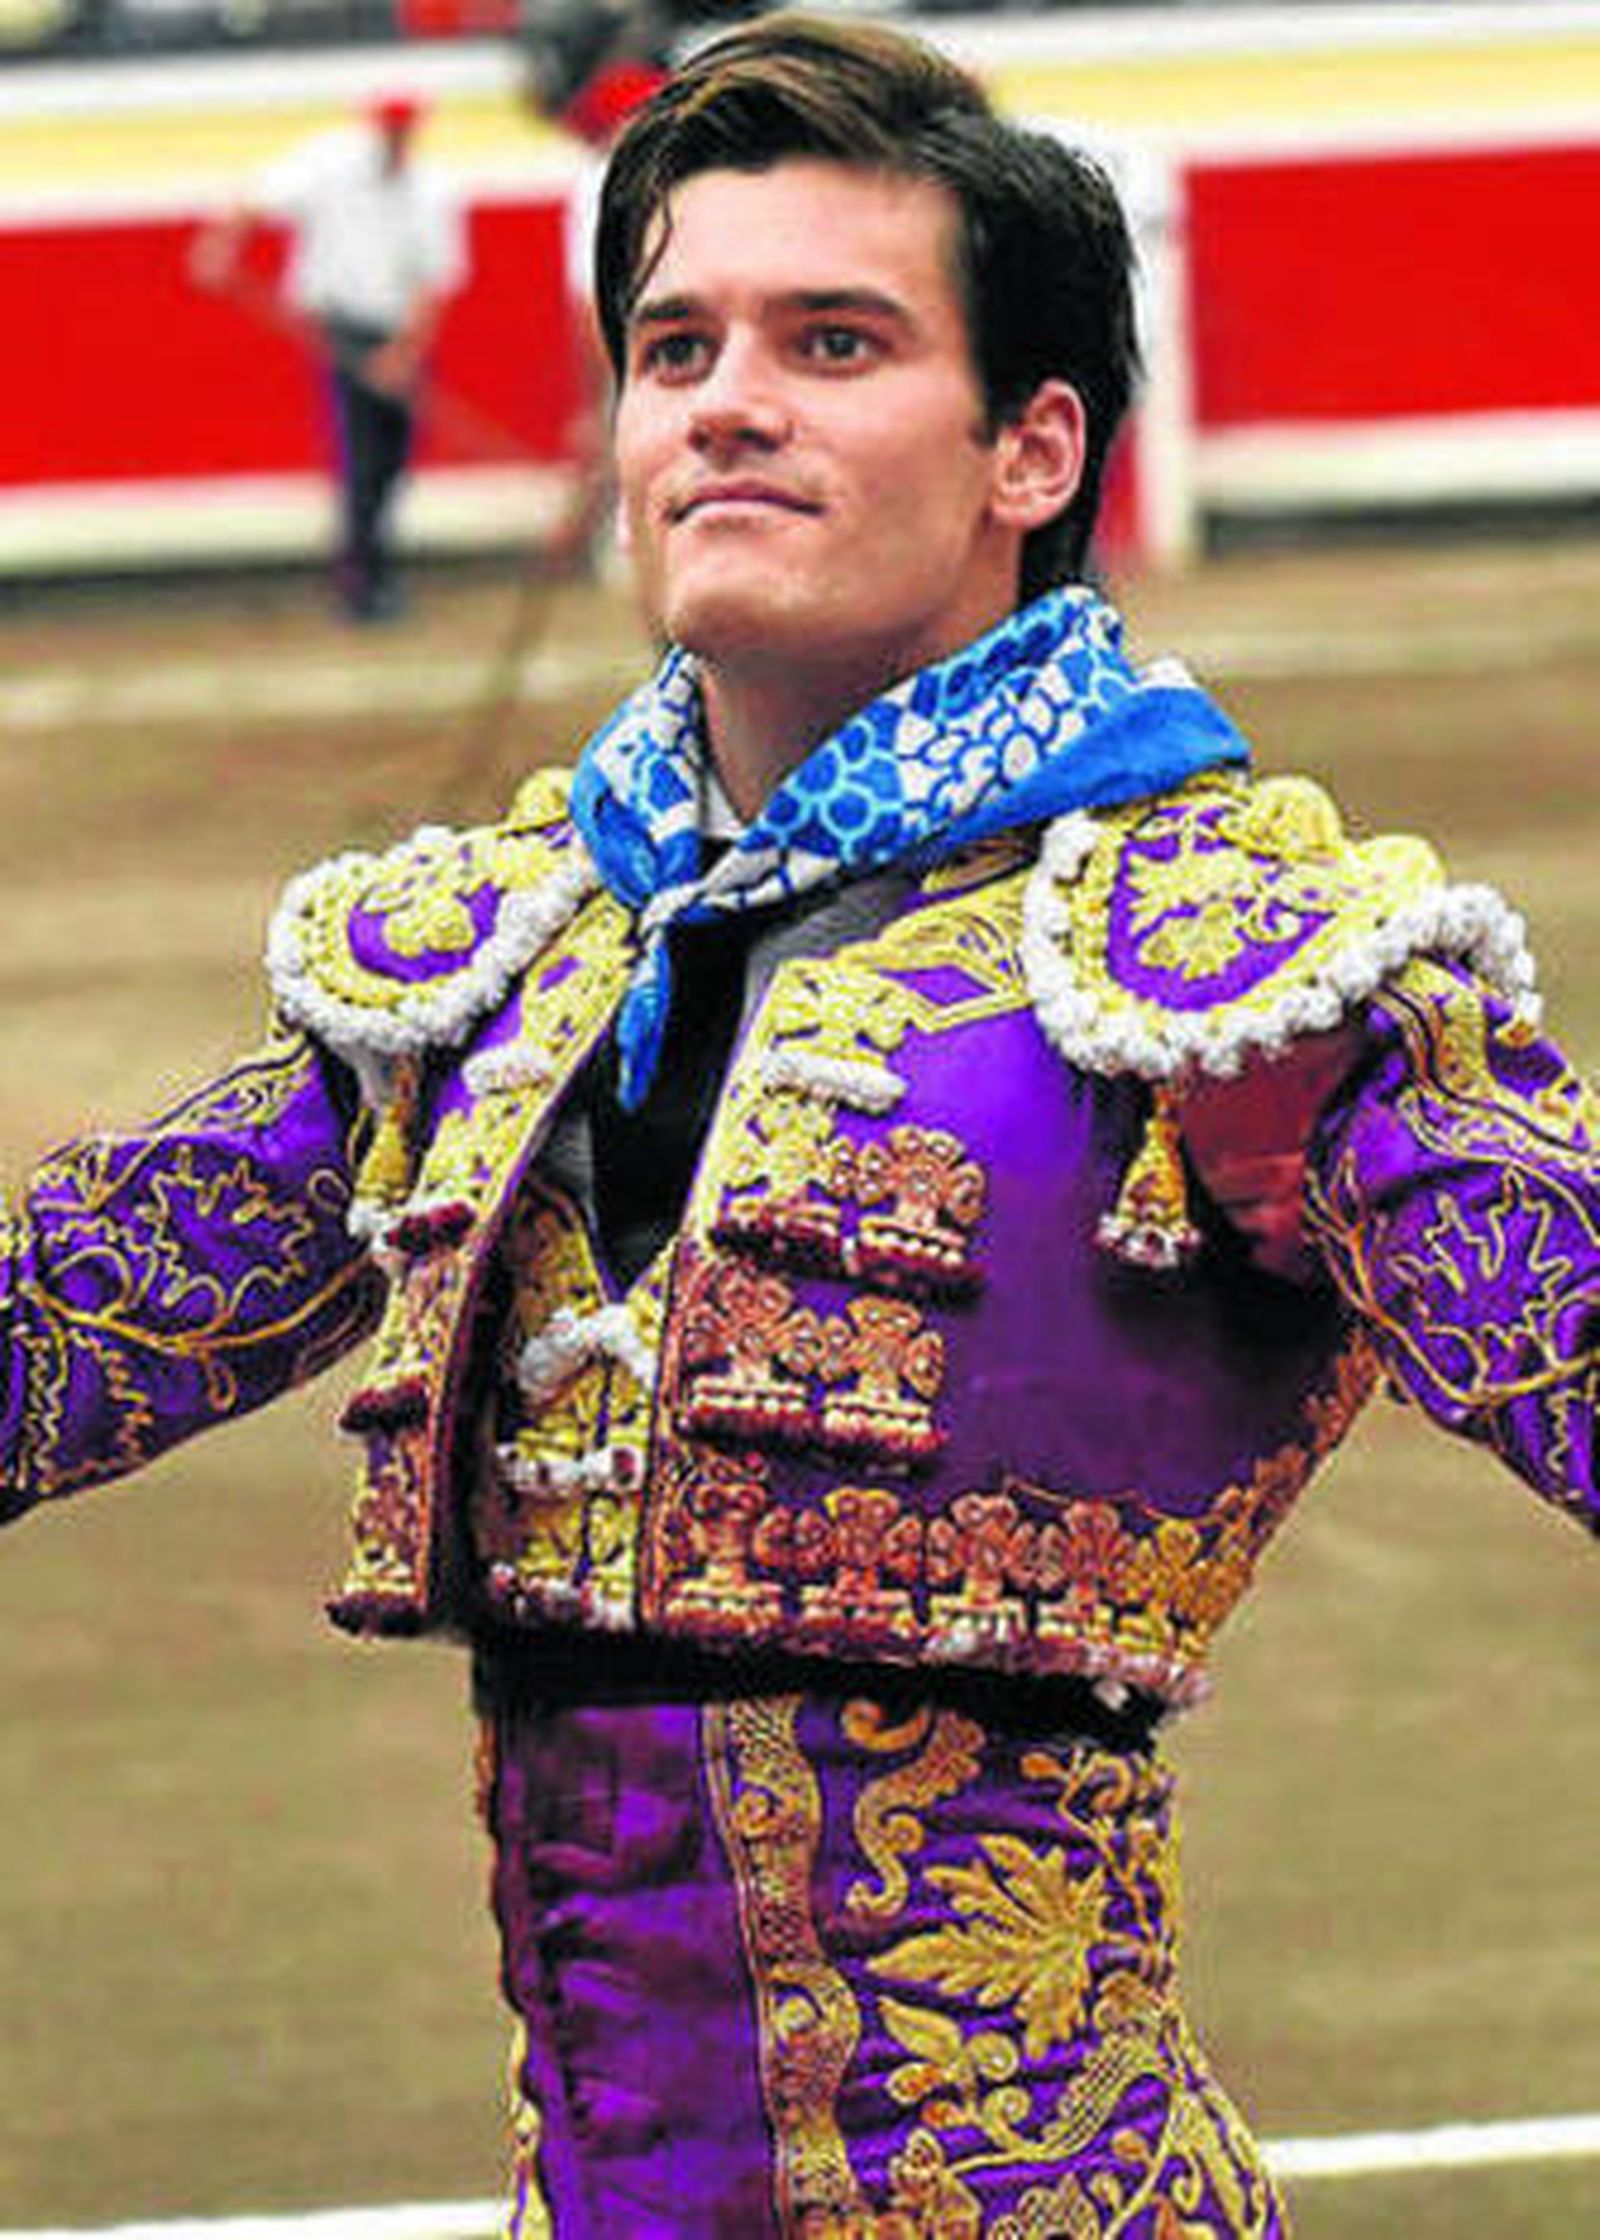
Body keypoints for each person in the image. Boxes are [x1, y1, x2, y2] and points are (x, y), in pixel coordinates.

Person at [6, 16, 1597, 2235]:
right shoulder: (493, 967)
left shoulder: (1222, 965)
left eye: (830, 340)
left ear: (1029, 446)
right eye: (674, 346)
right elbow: (56, 1334)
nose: (725, 398)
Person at [191, 91, 469, 622]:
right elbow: (255, 199)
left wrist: (403, 354)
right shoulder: (328, 164)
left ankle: (369, 568)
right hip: (341, 332)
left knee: (389, 461)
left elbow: (433, 284)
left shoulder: (431, 190)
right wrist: (222, 243)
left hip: (398, 336)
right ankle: (362, 580)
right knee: (364, 460)